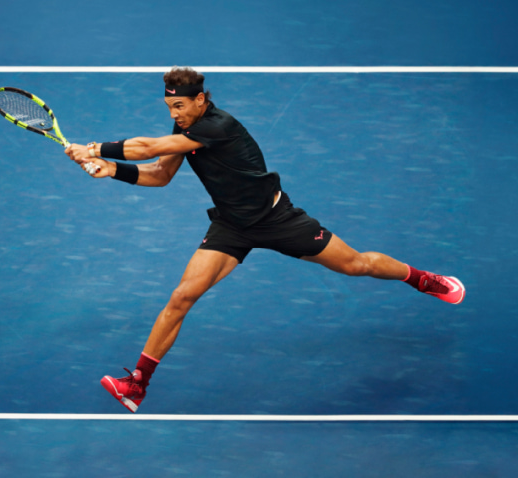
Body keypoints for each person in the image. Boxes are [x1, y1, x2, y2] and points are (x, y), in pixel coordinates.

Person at [64, 67, 465, 413]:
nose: (175, 114)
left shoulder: (219, 126)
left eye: (180, 106)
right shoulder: (184, 128)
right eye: (170, 107)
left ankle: (421, 278)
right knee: (182, 297)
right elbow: (160, 173)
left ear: (201, 99)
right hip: (231, 226)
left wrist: (94, 148)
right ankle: (136, 385)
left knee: (356, 264)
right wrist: (110, 169)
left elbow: (149, 147)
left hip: (276, 219)